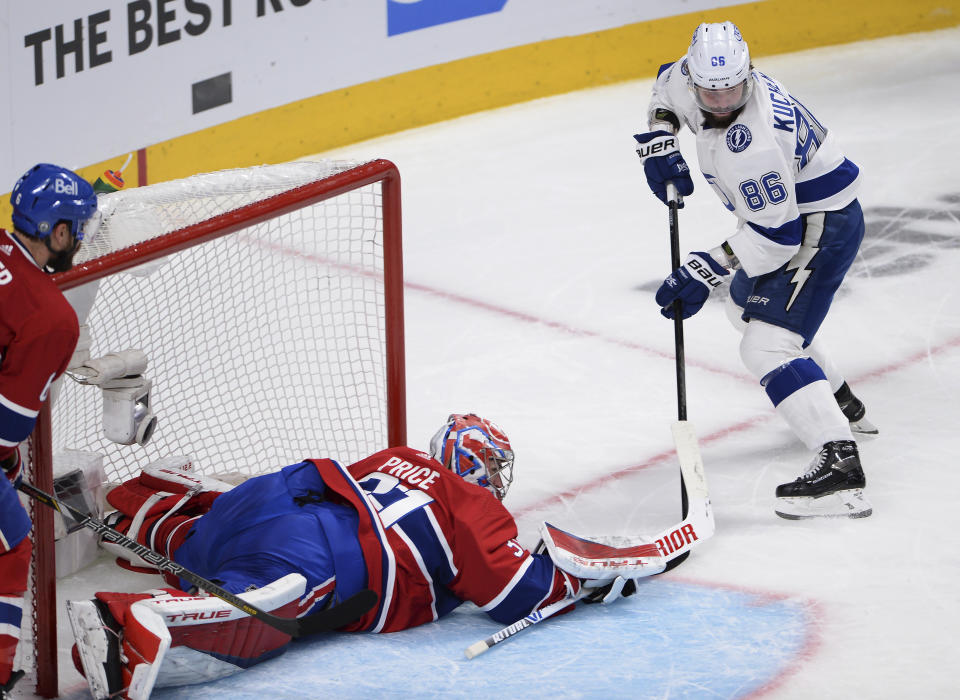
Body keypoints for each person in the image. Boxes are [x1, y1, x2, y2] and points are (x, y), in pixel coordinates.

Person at [68, 414, 650, 699]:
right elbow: (514, 591)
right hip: (322, 549)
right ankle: (124, 624)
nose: (498, 478)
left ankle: (127, 509)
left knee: (197, 543)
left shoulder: (394, 455)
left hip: (274, 494)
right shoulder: (471, 504)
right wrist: (583, 584)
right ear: (472, 465)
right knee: (260, 609)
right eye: (494, 465)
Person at [633, 22, 875, 519]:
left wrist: (705, 269)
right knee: (745, 308)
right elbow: (665, 85)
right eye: (709, 92)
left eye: (732, 91)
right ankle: (836, 399)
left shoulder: (755, 143)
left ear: (749, 75)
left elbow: (778, 238)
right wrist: (662, 138)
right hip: (787, 220)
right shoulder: (693, 77)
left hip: (817, 225)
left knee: (766, 343)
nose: (721, 103)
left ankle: (840, 460)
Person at [0, 164, 99, 696]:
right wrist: (9, 461)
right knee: (11, 543)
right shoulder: (50, 316)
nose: (78, 241)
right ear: (57, 232)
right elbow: (7, 426)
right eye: (76, 230)